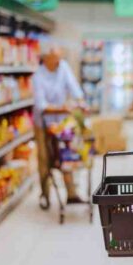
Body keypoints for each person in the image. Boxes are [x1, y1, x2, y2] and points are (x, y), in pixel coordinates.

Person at [32, 45, 86, 209]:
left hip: (61, 123)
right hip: (43, 123)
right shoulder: (38, 76)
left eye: (59, 58)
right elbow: (41, 105)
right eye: (55, 58)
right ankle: (45, 194)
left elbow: (74, 87)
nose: (58, 61)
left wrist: (81, 102)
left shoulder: (62, 67)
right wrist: (63, 108)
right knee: (44, 157)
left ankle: (71, 194)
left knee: (66, 153)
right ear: (46, 59)